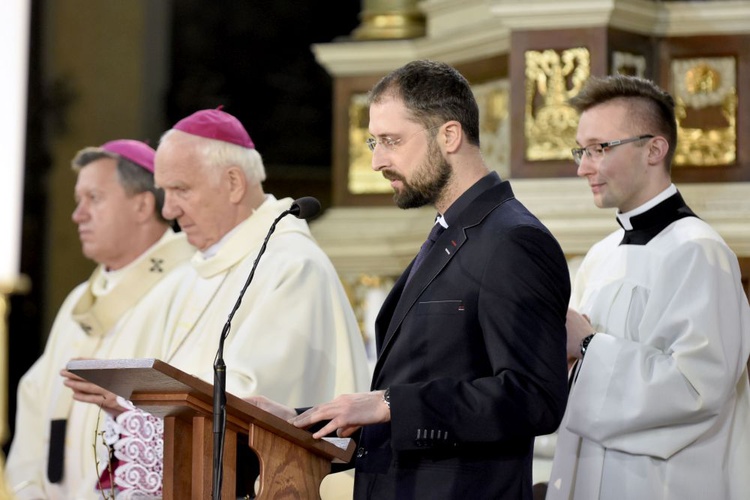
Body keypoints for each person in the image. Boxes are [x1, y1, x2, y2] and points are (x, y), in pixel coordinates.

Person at [249, 59, 571, 499]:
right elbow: (416, 391)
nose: (377, 160)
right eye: (373, 142)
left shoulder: (512, 240)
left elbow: (533, 397)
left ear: (450, 136)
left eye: (391, 141)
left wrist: (388, 404)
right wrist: (296, 419)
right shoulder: (451, 232)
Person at [65, 108, 371, 498]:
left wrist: (132, 405)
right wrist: (125, 398)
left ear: (232, 183)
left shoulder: (291, 266)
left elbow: (254, 409)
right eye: (165, 192)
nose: (168, 210)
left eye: (180, 190)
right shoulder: (192, 273)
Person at [545, 74, 750, 499]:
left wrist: (587, 347)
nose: (584, 166)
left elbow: (697, 389)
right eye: (581, 150)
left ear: (654, 149)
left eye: (600, 148)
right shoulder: (599, 257)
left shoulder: (699, 252)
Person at [5, 140, 194, 499]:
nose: (78, 214)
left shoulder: (187, 287)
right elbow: (35, 398)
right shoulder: (81, 297)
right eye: (79, 201)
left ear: (142, 205)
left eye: (94, 198)